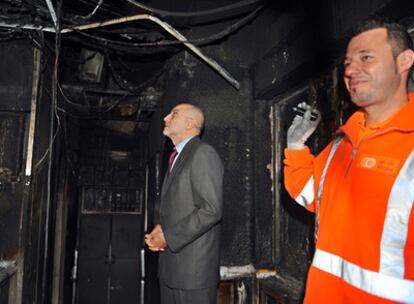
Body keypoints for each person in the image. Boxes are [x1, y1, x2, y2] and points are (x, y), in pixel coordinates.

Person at [283, 20, 414, 303]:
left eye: (366, 58)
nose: (351, 71)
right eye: (348, 63)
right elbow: (311, 193)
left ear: (404, 61)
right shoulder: (341, 143)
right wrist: (295, 147)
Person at [145, 103, 224, 304]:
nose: (166, 118)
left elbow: (210, 210)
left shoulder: (203, 153)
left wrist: (168, 237)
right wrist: (162, 228)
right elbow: (181, 206)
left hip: (192, 275)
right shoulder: (178, 156)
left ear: (190, 123)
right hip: (172, 271)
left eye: (174, 114)